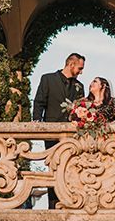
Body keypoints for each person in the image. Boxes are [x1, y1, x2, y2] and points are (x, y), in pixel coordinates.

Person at [32, 52, 86, 208]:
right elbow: (39, 102)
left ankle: (71, 203)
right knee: (54, 169)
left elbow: (81, 108)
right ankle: (53, 205)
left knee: (71, 169)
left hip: (72, 136)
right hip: (52, 133)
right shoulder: (47, 79)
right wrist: (37, 122)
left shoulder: (79, 86)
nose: (81, 72)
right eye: (80, 68)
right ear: (71, 64)